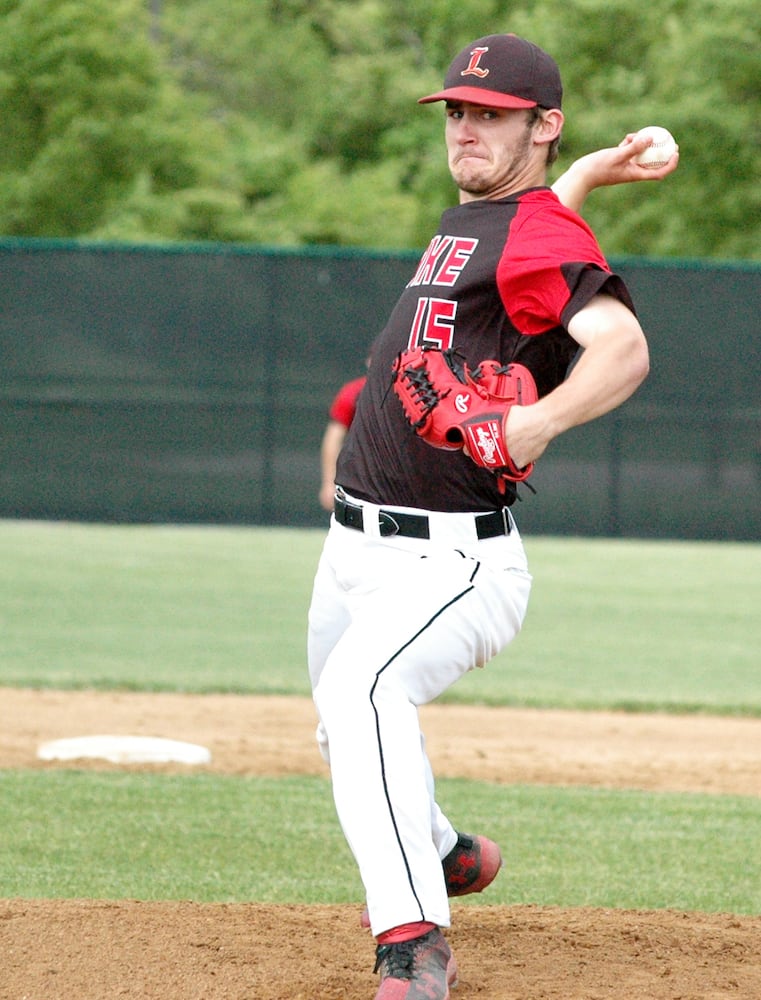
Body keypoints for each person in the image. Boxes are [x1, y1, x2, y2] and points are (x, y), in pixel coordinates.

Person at [307, 33, 677, 999]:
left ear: (540, 125)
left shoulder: (539, 232)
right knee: (341, 725)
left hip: (449, 562)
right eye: (459, 112)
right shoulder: (501, 215)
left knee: (362, 697)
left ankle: (414, 940)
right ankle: (445, 850)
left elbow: (622, 349)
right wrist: (595, 167)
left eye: (493, 115)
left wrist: (535, 421)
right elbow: (543, 212)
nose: (466, 129)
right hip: (350, 548)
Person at [319, 361, 370, 512]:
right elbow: (333, 438)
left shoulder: (409, 392)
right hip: (357, 479)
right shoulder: (355, 391)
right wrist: (329, 483)